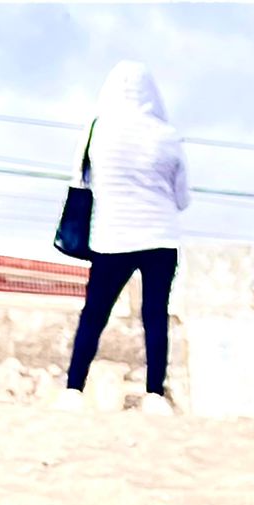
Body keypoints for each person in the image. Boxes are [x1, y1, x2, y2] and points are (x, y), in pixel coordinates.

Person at [64, 62, 190, 412]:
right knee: (154, 316)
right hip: (161, 236)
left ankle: (74, 389)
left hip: (112, 236)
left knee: (94, 314)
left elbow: (81, 179)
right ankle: (155, 395)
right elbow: (183, 199)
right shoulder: (168, 136)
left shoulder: (97, 130)